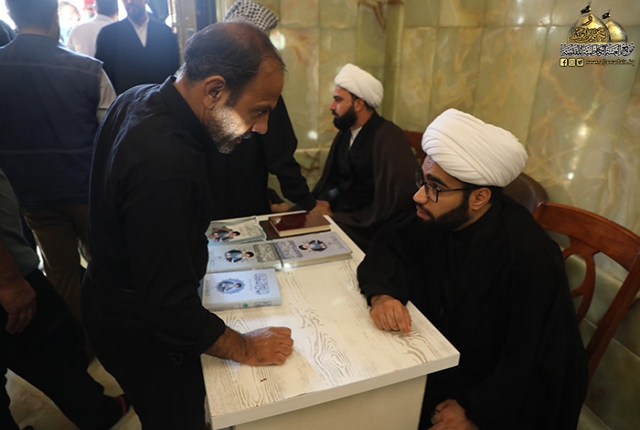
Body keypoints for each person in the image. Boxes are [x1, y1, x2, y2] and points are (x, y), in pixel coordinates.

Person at [84, 21, 294, 429]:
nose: (263, 128)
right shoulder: (166, 165)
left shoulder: (137, 95)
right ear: (214, 90)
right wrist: (245, 348)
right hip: (139, 331)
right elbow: (166, 305)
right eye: (259, 110)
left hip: (108, 301)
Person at [357, 109, 588, 430]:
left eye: (434, 187)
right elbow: (389, 247)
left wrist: (477, 412)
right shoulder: (438, 216)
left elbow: (532, 358)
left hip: (491, 397)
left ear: (479, 197)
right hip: (433, 364)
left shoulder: (528, 255)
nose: (419, 195)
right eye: (422, 180)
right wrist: (382, 295)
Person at [0, 0, 116, 327]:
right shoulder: (88, 70)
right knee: (109, 267)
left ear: (12, 17)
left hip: (31, 195)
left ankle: (83, 341)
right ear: (54, 17)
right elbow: (113, 137)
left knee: (61, 275)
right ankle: (115, 336)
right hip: (88, 191)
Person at [0, 168, 130, 430]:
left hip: (36, 196)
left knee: (68, 281)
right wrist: (9, 280)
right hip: (12, 277)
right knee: (55, 349)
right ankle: (99, 412)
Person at [208, 0, 327, 219]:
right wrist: (308, 203)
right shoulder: (261, 92)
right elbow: (280, 156)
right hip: (244, 210)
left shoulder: (212, 92)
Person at [313, 63, 418, 252]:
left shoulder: (389, 137)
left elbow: (395, 202)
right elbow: (332, 180)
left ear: (359, 104)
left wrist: (338, 218)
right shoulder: (346, 133)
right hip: (342, 215)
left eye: (338, 100)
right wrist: (325, 202)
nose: (331, 107)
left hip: (370, 226)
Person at [95, 0, 180, 94]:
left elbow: (175, 69)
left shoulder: (166, 33)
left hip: (161, 98)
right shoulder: (108, 34)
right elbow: (104, 75)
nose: (130, 1)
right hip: (126, 99)